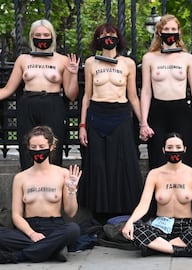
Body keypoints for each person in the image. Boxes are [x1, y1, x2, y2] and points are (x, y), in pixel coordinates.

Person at [78, 23, 144, 222]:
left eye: (111, 34)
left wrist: (143, 123)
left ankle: (122, 212)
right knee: (98, 164)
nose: (108, 38)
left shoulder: (128, 63)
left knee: (121, 163)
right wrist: (82, 126)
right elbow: (86, 96)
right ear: (97, 40)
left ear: (118, 38)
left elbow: (133, 96)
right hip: (96, 115)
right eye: (103, 35)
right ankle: (99, 214)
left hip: (121, 115)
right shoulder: (91, 63)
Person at [122, 132, 192, 258]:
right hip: (160, 225)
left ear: (184, 149)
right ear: (164, 150)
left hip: (187, 226)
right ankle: (180, 250)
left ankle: (158, 248)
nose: (174, 150)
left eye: (178, 147)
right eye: (170, 148)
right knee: (135, 230)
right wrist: (130, 222)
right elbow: (143, 205)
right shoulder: (155, 174)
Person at [0, 19, 79, 170]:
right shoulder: (23, 59)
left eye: (46, 34)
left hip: (52, 104)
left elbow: (71, 95)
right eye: (38, 35)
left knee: (53, 149)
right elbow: (7, 89)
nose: (42, 38)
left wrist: (73, 74)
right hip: (28, 104)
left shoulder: (62, 60)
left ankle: (53, 189)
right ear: (31, 36)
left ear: (52, 37)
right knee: (27, 147)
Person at [0, 126, 81, 264]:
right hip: (28, 229)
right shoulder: (21, 177)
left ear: (51, 146)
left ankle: (18, 256)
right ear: (28, 147)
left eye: (41, 146)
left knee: (73, 229)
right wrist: (32, 234)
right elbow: (16, 215)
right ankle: (53, 249)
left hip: (55, 228)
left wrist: (72, 190)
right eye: (33, 146)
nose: (38, 150)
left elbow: (71, 212)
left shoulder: (63, 174)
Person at [139, 14, 192, 169]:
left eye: (173, 29)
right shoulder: (149, 58)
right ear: (159, 32)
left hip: (181, 110)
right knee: (158, 157)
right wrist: (143, 122)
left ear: (178, 32)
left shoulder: (187, 58)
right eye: (166, 29)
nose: (170, 32)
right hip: (158, 111)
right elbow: (146, 91)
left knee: (184, 156)